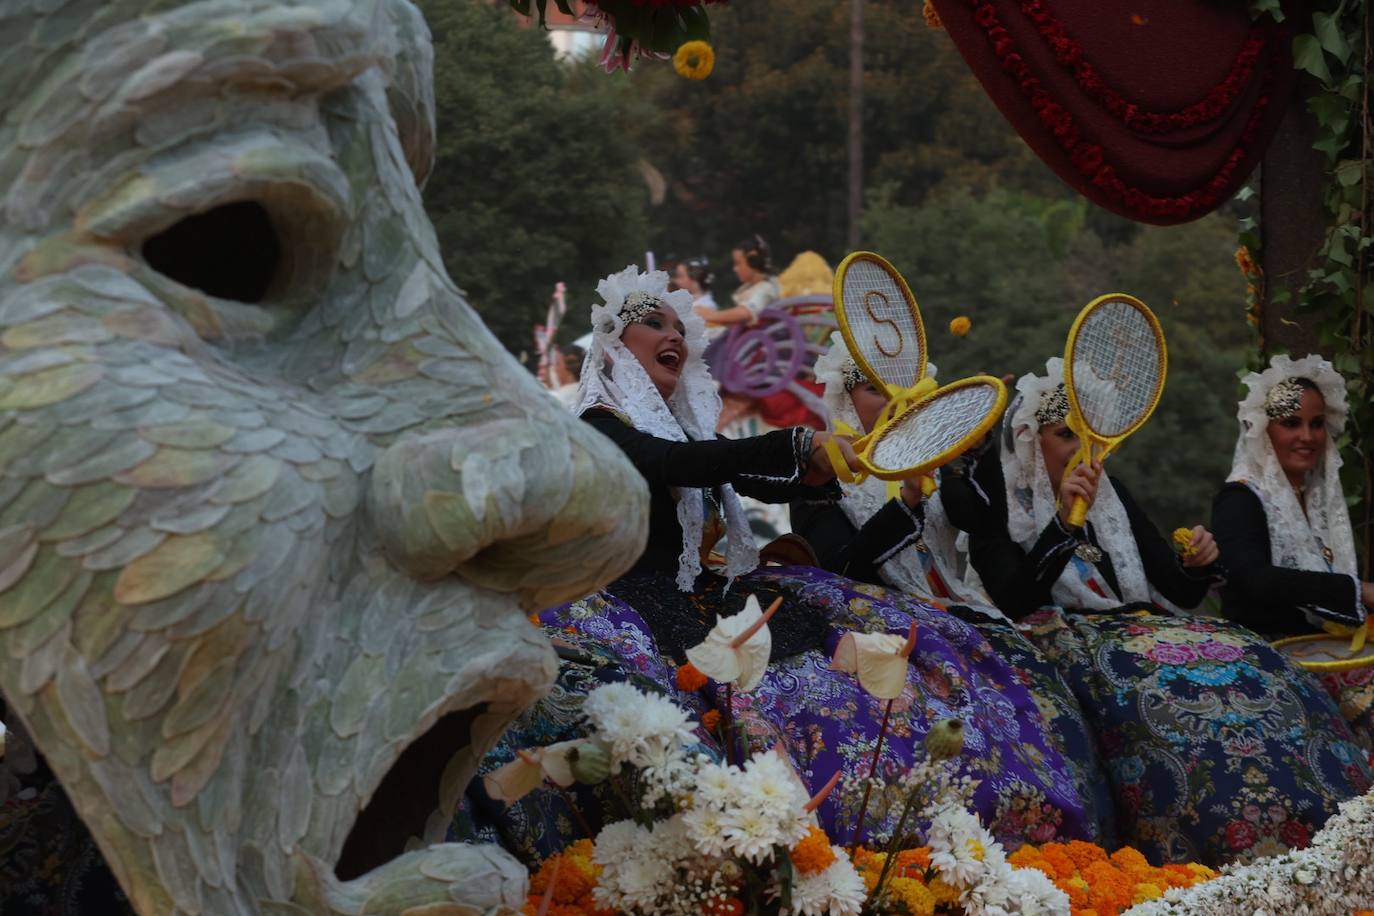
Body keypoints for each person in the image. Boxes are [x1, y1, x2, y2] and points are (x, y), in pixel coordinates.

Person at [462, 268, 1096, 859]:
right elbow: (671, 466)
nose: (674, 335)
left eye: (681, 328)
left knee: (878, 669)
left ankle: (908, 840)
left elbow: (750, 476)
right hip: (634, 601)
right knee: (725, 712)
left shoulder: (687, 435)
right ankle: (787, 847)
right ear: (610, 343)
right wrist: (797, 444)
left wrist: (816, 468)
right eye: (655, 323)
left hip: (713, 598)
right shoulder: (600, 423)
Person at [946, 356, 1372, 866]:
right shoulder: (1000, 502)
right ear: (1032, 441)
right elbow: (1016, 599)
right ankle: (1197, 848)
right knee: (1158, 695)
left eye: (1091, 435)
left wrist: (1197, 562)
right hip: (1066, 640)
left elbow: (1178, 589)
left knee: (1250, 660)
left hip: (1144, 630)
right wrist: (1060, 525)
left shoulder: (1112, 494)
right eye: (1065, 435)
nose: (1084, 450)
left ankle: (1327, 826)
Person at [791, 334, 1115, 846]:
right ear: (844, 400)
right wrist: (904, 506)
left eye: (904, 387)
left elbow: (986, 528)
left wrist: (942, 459)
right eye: (876, 388)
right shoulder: (819, 475)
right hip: (876, 631)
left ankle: (1064, 847)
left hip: (969, 620)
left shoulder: (947, 472)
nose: (896, 399)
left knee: (1044, 696)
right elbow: (836, 568)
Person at [1213, 354, 1374, 746]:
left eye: (1317, 424)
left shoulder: (1317, 499)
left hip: (1323, 657)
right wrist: (1359, 592)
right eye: (1291, 423)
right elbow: (1256, 580)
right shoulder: (1240, 497)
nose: (1308, 436)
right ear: (1263, 430)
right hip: (1267, 657)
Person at [696, 235, 780, 328]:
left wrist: (710, 315)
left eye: (738, 263)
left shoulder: (766, 287)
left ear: (753, 261)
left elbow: (745, 312)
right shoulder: (754, 286)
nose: (735, 269)